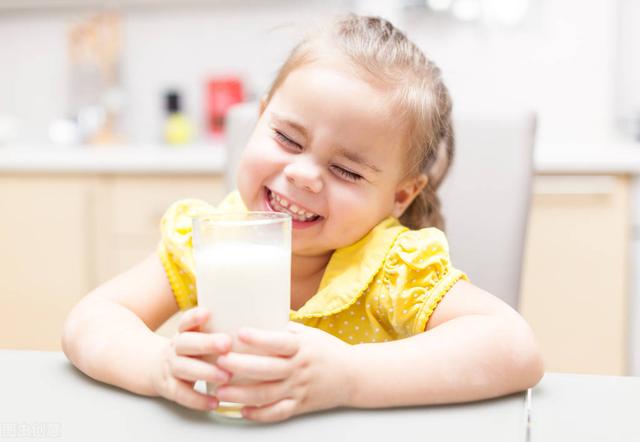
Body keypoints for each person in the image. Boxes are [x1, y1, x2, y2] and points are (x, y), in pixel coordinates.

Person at [62, 14, 543, 423]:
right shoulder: (209, 240)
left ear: (399, 196)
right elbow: (90, 320)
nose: (304, 175)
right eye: (288, 139)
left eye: (346, 170)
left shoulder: (393, 268)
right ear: (260, 117)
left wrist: (349, 378)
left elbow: (515, 348)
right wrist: (156, 366)